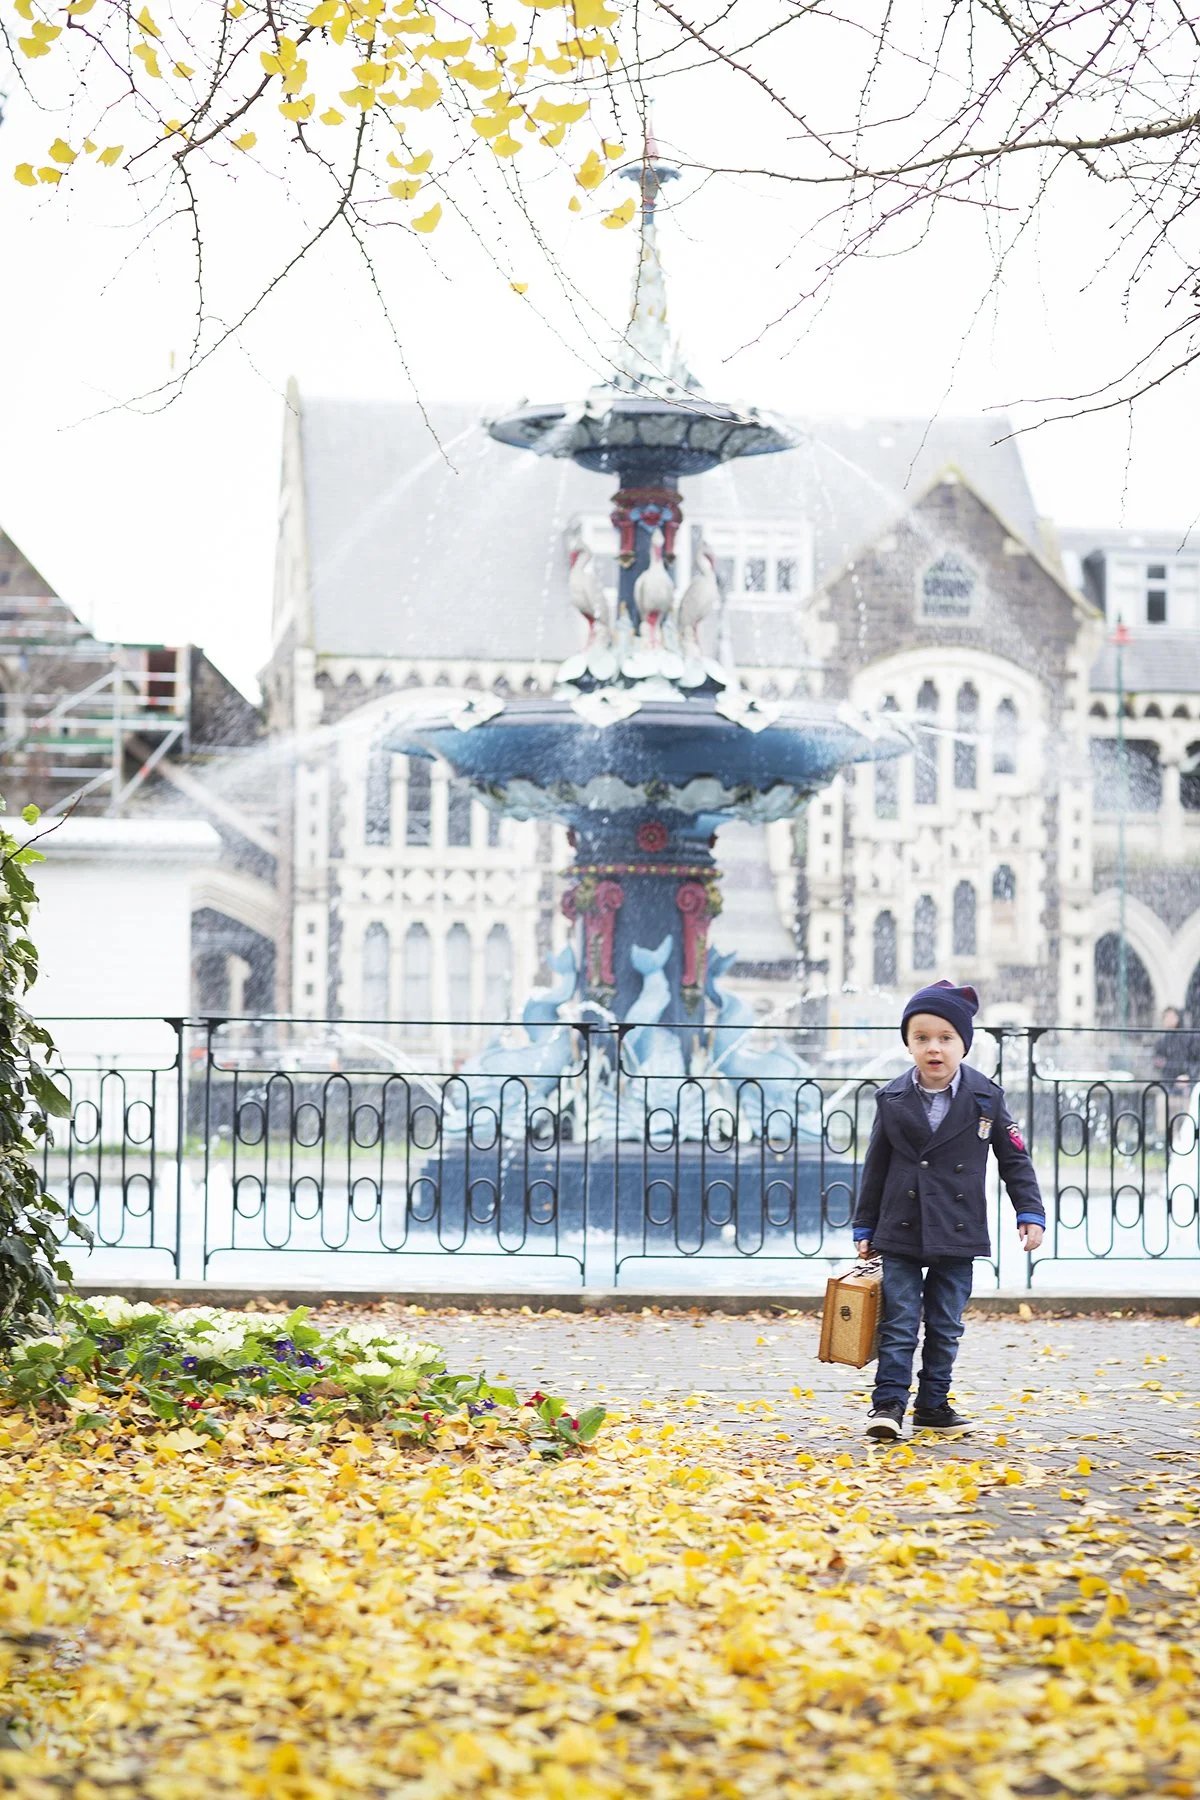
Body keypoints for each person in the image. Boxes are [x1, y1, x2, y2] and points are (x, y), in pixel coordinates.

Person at [852, 980, 1045, 1441]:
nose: (933, 1048)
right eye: (921, 1038)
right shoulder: (892, 1097)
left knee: (945, 1325)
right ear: (908, 1044)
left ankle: (933, 1405)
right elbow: (874, 1165)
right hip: (899, 1227)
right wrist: (864, 1223)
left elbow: (1015, 1160)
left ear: (963, 1043)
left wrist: (1030, 1212)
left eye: (945, 1038)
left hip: (958, 1232)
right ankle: (888, 1405)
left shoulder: (986, 1097)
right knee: (899, 1322)